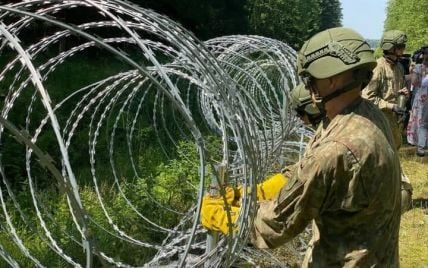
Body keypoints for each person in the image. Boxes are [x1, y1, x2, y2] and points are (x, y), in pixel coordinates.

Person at [202, 27, 402, 267]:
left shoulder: (337, 148)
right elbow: (310, 172)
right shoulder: (366, 115)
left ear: (333, 78)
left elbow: (273, 225)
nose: (308, 87)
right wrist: (256, 192)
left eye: (310, 78)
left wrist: (223, 214)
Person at [362, 30, 409, 149]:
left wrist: (404, 94)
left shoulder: (399, 67)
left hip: (394, 119)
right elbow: (367, 97)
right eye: (401, 46)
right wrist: (391, 106)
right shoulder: (378, 67)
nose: (403, 49)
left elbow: (398, 90)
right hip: (379, 119)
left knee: (395, 147)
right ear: (391, 48)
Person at [407, 46, 428, 156]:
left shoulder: (418, 67)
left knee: (420, 121)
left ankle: (420, 146)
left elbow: (414, 82)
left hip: (421, 98)